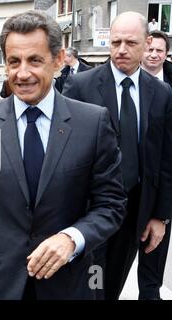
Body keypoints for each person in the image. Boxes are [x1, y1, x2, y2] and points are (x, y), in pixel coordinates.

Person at [0, 10, 127, 300]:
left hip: (67, 283)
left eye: (35, 60)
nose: (22, 73)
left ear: (57, 60)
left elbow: (111, 205)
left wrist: (72, 238)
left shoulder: (91, 123)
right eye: (13, 61)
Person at [63, 11, 172, 300]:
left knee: (111, 285)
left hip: (135, 210)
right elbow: (63, 154)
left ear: (147, 43)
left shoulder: (161, 94)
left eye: (130, 43)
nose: (121, 50)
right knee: (89, 285)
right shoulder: (81, 86)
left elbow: (165, 159)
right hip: (89, 210)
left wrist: (161, 215)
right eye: (115, 42)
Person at [138, 29, 172, 300]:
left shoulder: (169, 88)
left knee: (151, 279)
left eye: (159, 50)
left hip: (159, 191)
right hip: (121, 193)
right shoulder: (121, 82)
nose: (153, 54)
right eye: (150, 49)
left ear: (166, 54)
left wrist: (163, 212)